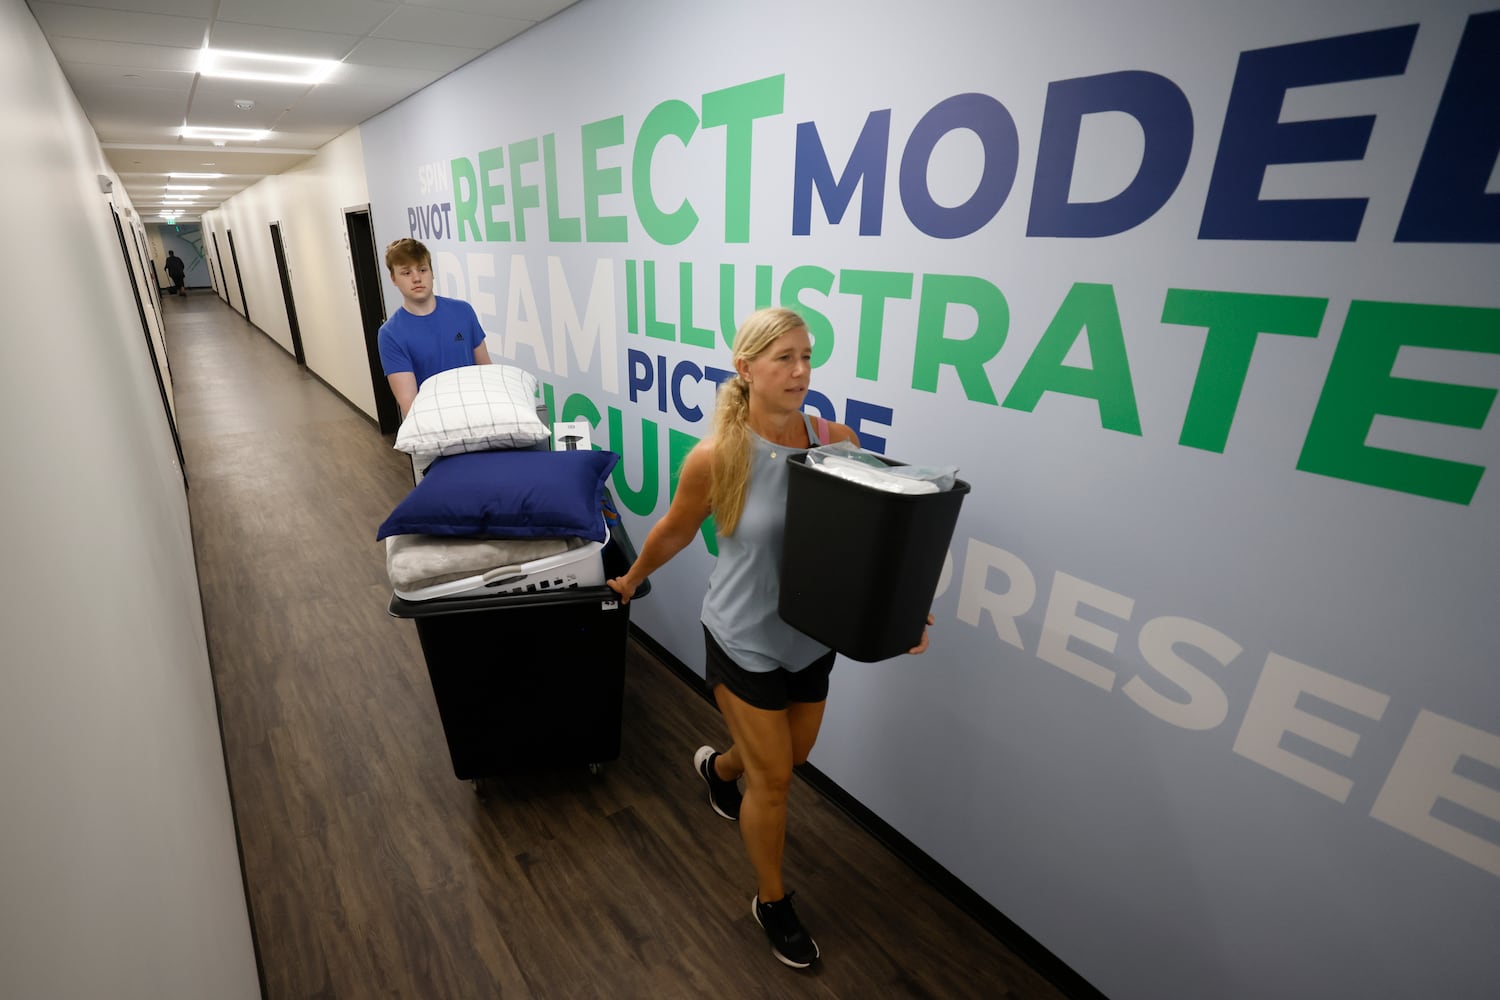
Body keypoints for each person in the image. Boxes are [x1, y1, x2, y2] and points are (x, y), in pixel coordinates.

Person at [606, 306, 932, 969]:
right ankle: (772, 900)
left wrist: (906, 610)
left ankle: (719, 771)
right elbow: (673, 527)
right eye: (784, 357)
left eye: (807, 356)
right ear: (745, 367)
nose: (801, 370)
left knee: (788, 759)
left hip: (813, 637)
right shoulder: (718, 456)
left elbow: (874, 538)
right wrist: (631, 577)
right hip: (742, 635)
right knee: (777, 780)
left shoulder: (836, 441)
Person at [376, 237, 492, 419]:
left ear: (432, 272)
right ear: (394, 279)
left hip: (478, 419)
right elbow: (410, 406)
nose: (416, 278)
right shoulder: (390, 334)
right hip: (435, 430)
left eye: (422, 270)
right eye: (406, 273)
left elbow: (487, 374)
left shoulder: (463, 311)